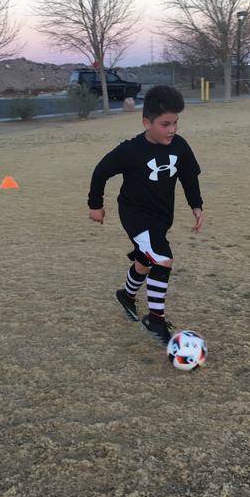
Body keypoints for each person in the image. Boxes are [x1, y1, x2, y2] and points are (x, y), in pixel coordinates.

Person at [87, 85, 204, 347]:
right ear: (147, 123)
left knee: (145, 260)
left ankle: (126, 296)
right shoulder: (131, 150)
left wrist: (196, 205)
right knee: (162, 259)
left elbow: (189, 176)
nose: (172, 129)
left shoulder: (180, 146)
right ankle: (155, 320)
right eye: (165, 124)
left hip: (161, 217)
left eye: (176, 122)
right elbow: (101, 171)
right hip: (135, 214)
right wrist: (95, 206)